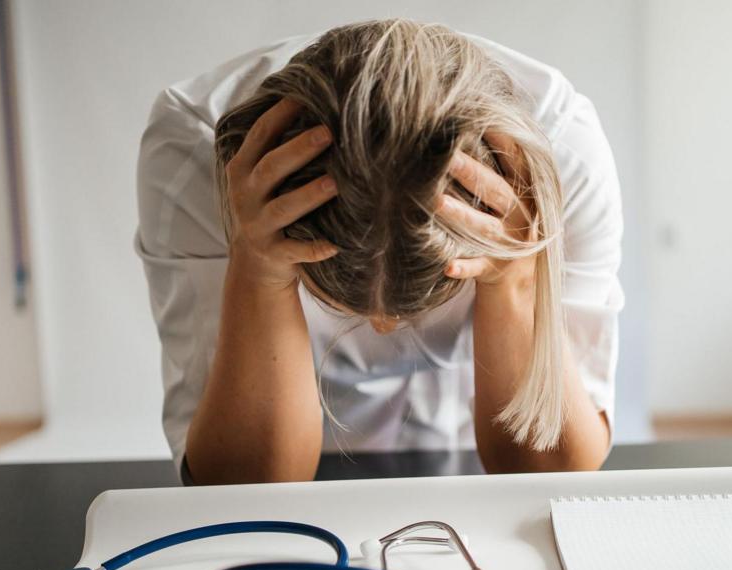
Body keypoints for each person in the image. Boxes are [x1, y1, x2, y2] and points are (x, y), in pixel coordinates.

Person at [136, 19, 624, 485]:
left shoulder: (561, 151)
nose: (383, 328)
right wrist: (257, 273)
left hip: (469, 429)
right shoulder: (196, 150)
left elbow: (552, 474)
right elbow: (247, 488)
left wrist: (516, 279)